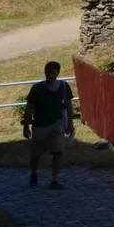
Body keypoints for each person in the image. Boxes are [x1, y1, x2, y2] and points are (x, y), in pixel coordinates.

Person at [21, 61, 73, 189]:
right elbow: (30, 108)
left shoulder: (64, 87)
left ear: (57, 74)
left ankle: (55, 180)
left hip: (57, 124)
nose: (50, 76)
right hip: (40, 125)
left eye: (53, 73)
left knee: (58, 152)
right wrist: (26, 126)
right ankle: (34, 173)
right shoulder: (37, 89)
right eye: (48, 73)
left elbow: (69, 106)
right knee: (36, 154)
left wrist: (70, 123)